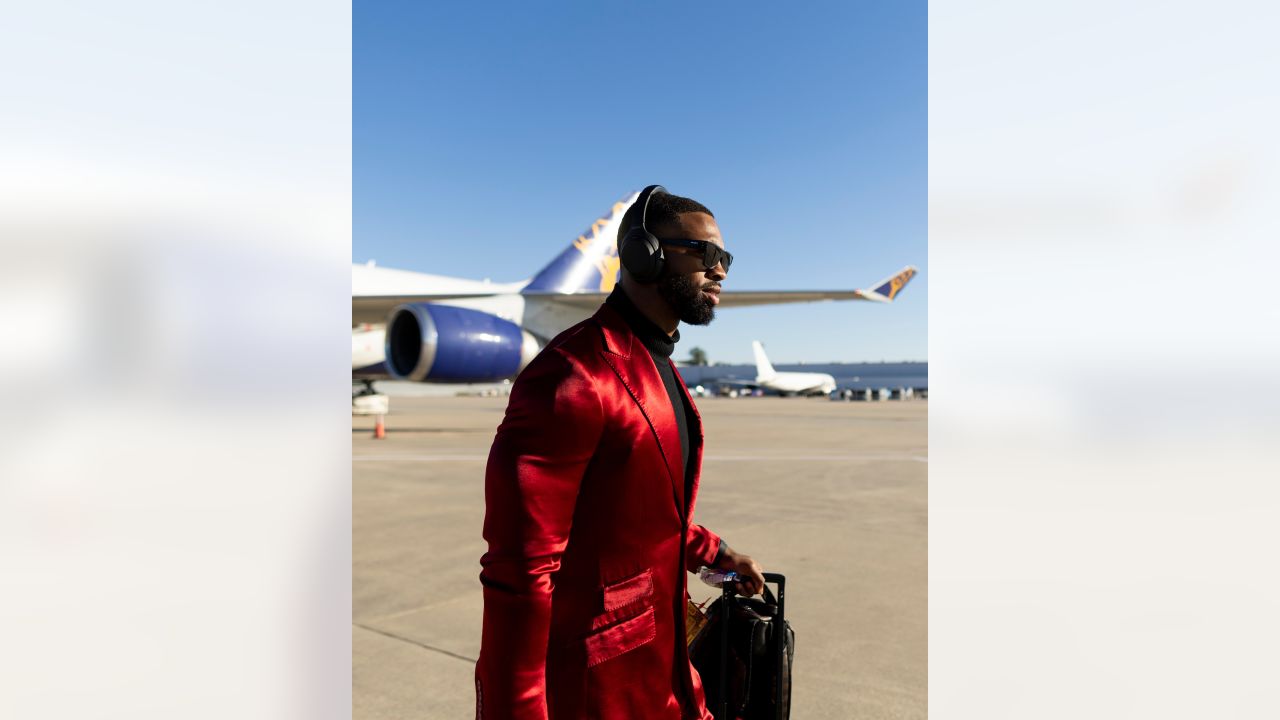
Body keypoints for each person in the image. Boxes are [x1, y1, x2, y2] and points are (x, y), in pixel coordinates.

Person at [475, 185, 766, 719]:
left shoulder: (660, 367)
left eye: (726, 258)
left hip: (669, 670)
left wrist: (712, 551)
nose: (720, 270)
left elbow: (636, 513)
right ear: (642, 253)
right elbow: (520, 573)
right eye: (704, 253)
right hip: (599, 687)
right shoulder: (574, 374)